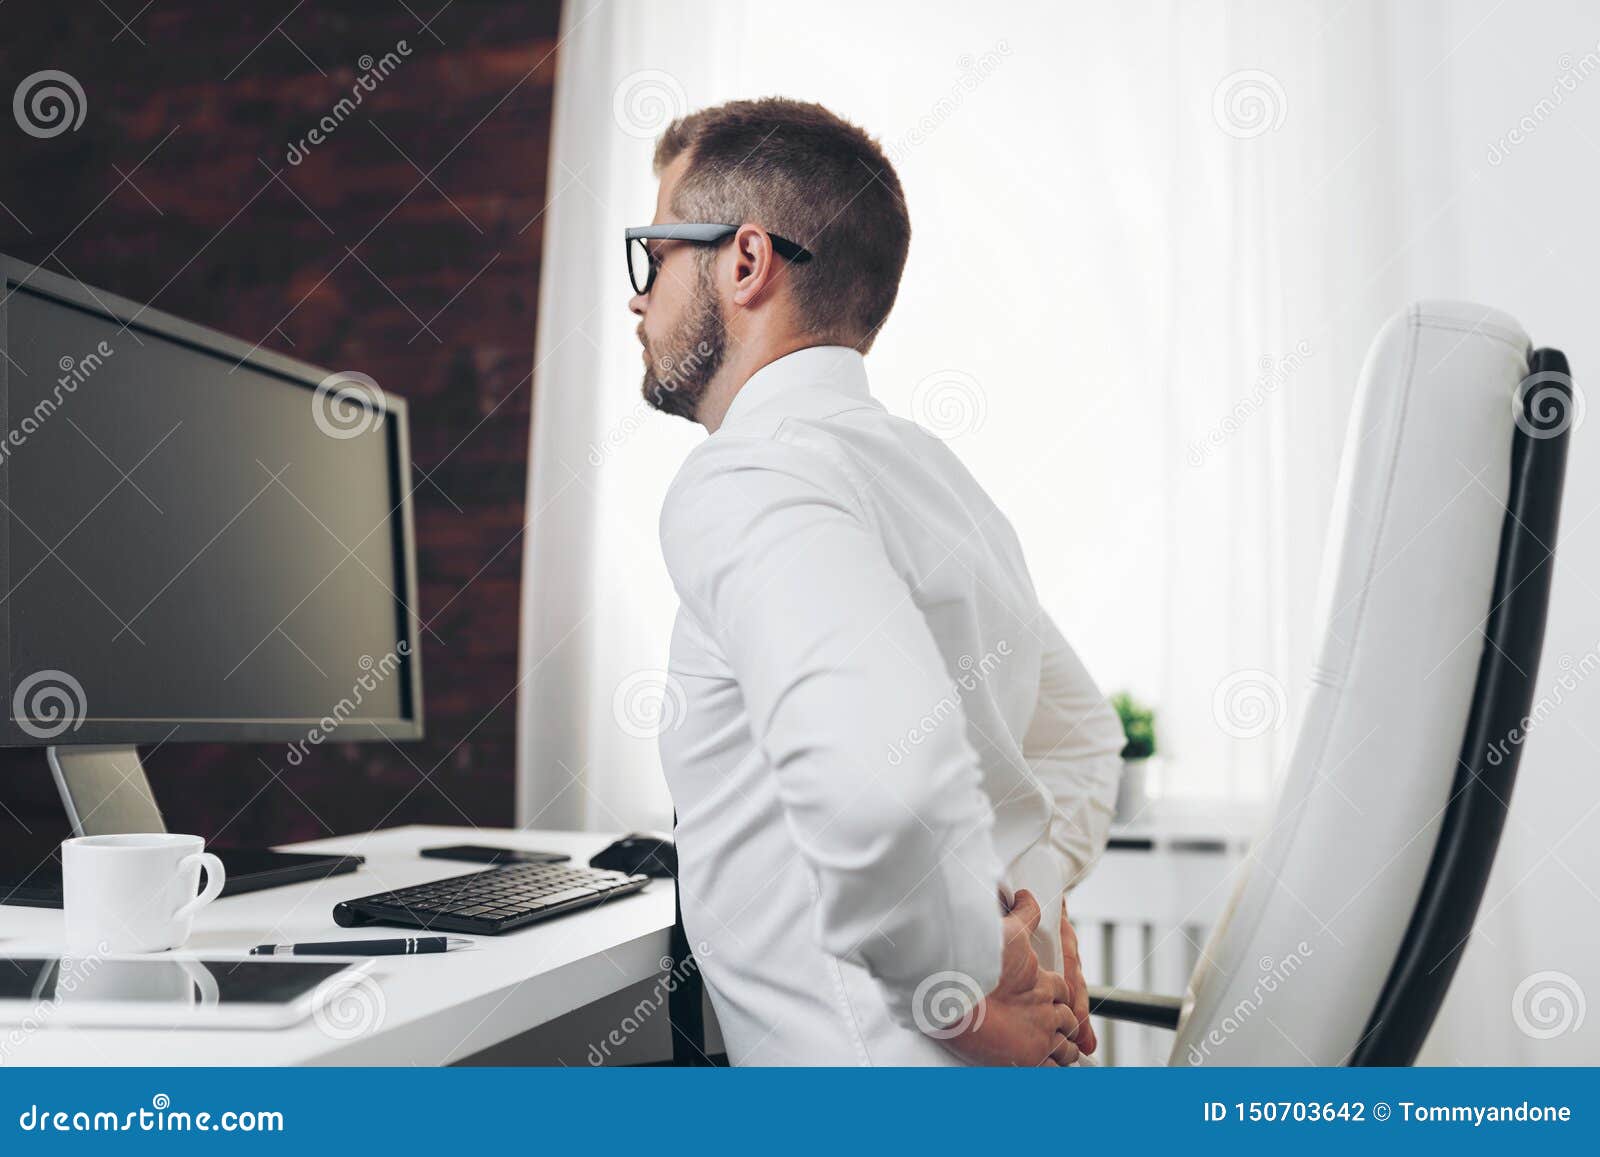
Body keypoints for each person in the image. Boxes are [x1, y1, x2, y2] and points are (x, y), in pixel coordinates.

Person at [630, 97, 1125, 1066]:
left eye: (653, 255)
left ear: (743, 260)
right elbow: (1081, 738)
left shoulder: (750, 474)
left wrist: (955, 994)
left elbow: (884, 788)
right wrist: (1021, 914)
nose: (638, 297)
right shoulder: (934, 478)